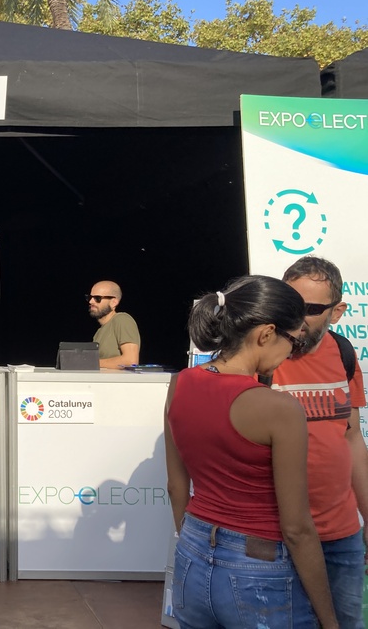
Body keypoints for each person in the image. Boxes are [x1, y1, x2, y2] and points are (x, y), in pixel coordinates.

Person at [164, 275, 338, 628]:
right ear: (266, 334)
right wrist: (329, 619)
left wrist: (199, 542)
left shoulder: (180, 382)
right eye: (293, 341)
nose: (291, 353)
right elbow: (297, 529)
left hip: (192, 552)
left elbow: (175, 486)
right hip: (257, 567)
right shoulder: (278, 409)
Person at [269, 257, 368, 628]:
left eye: (310, 309)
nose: (297, 318)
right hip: (274, 537)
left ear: (337, 312)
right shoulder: (261, 358)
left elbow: (352, 438)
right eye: (290, 304)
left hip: (342, 536)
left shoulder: (344, 354)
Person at [87, 280, 140, 368]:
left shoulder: (122, 319)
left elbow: (131, 361)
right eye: (89, 297)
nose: (91, 301)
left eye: (97, 298)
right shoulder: (99, 331)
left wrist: (89, 363)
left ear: (114, 302)